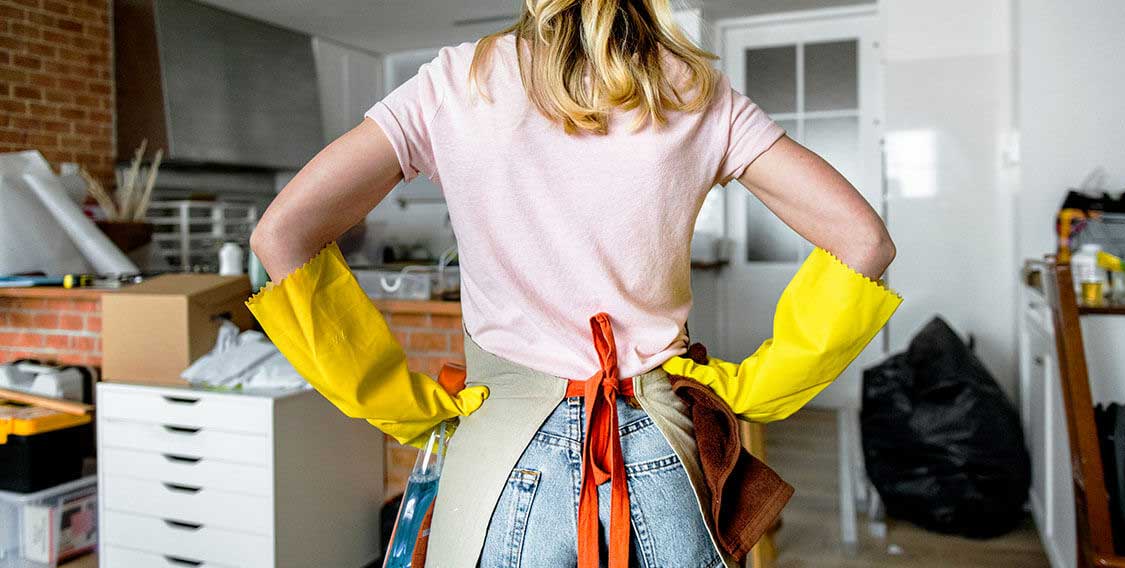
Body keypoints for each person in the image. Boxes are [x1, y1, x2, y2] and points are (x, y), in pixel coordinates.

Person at [248, 1, 897, 566]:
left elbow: (282, 237)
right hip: (663, 450)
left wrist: (401, 403)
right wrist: (756, 388)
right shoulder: (693, 92)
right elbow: (863, 241)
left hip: (501, 464)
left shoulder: (454, 83)